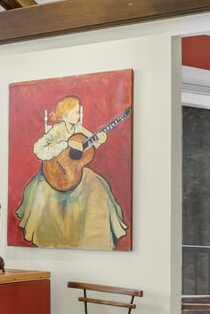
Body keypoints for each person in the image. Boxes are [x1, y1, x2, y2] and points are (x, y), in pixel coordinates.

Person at [17, 96, 128, 250]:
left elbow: (91, 141)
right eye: (76, 112)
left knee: (100, 191)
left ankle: (96, 238)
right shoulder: (57, 130)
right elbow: (39, 148)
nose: (79, 116)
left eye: (79, 113)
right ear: (66, 114)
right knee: (43, 196)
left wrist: (99, 141)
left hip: (74, 173)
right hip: (53, 172)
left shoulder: (79, 130)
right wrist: (65, 144)